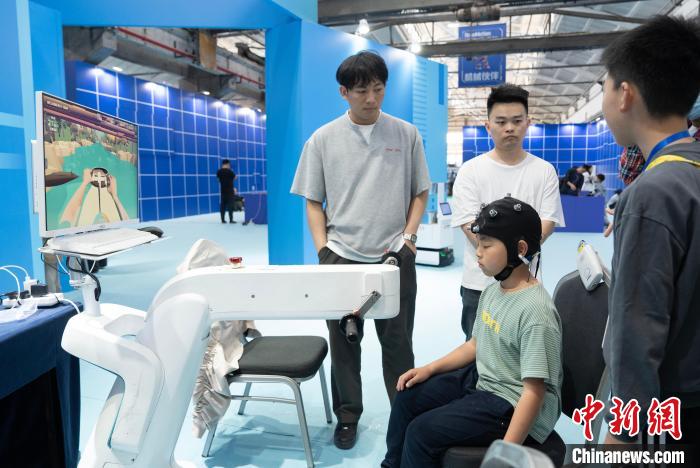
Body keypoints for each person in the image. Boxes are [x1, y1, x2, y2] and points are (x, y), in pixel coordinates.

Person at [290, 50, 431, 449]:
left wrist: (408, 239)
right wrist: (323, 251)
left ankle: (404, 416)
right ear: (344, 92)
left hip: (394, 257)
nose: (371, 99)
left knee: (399, 345)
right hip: (341, 255)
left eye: (379, 89)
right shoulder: (322, 139)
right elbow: (313, 201)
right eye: (362, 91)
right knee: (344, 346)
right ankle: (348, 417)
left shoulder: (406, 134)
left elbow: (421, 191)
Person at [382, 197, 562, 468]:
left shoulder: (536, 313)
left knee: (421, 433)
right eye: (478, 244)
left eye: (486, 245)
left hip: (510, 400)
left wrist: (506, 454)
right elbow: (475, 345)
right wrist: (429, 369)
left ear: (520, 249)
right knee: (407, 395)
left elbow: (533, 393)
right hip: (485, 378)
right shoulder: (493, 290)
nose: (478, 252)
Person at [599, 15, 700, 463]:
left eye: (605, 87)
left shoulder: (652, 194)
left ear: (625, 94)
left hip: (674, 409)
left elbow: (638, 327)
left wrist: (622, 433)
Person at [451, 84, 564, 341]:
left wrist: (511, 262)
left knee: (525, 354)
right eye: (501, 122)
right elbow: (470, 226)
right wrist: (514, 254)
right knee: (476, 354)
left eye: (517, 121)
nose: (509, 128)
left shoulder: (544, 171)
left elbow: (547, 222)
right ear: (488, 126)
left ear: (528, 123)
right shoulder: (470, 171)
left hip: (526, 285)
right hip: (479, 285)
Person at [216, 159, 237, 223]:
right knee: (230, 205)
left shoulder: (219, 171)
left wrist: (223, 181)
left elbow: (218, 180)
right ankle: (231, 220)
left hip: (223, 190)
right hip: (230, 190)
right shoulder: (230, 171)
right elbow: (235, 177)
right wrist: (230, 180)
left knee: (223, 205)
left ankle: (222, 220)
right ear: (228, 164)